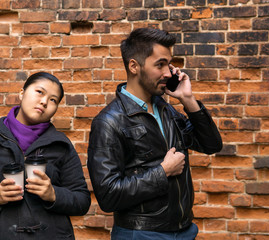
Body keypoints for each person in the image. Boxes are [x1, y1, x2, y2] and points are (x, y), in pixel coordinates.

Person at [87, 28, 223, 239]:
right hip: (141, 234)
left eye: (168, 65)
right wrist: (163, 171)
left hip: (184, 230)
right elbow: (108, 195)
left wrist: (188, 100)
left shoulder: (166, 110)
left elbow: (211, 145)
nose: (168, 73)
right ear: (134, 66)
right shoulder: (109, 122)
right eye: (159, 65)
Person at [0, 72, 91, 239]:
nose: (44, 102)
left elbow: (82, 201)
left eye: (53, 100)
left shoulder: (61, 145)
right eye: (40, 92)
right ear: (22, 93)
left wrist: (53, 194)